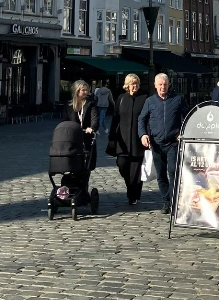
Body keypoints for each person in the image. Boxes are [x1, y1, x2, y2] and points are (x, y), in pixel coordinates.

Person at [138, 73, 185, 215]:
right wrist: (143, 134)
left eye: (165, 84)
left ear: (168, 84)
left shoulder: (177, 99)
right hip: (157, 144)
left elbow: (188, 115)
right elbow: (141, 119)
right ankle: (166, 201)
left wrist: (183, 131)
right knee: (161, 174)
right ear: (155, 85)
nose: (162, 87)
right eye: (160, 84)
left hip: (173, 143)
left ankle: (173, 200)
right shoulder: (150, 101)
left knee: (173, 171)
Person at [108, 73, 148, 205]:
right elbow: (115, 119)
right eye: (132, 83)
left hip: (137, 141)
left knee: (136, 172)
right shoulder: (121, 98)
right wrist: (112, 137)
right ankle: (130, 187)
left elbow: (148, 119)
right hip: (122, 141)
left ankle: (133, 195)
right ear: (127, 85)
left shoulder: (144, 98)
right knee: (122, 165)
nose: (134, 86)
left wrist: (147, 135)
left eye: (136, 83)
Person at [64, 79, 99, 171]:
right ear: (77, 91)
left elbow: (95, 119)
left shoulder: (90, 104)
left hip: (86, 136)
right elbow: (65, 121)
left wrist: (92, 128)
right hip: (73, 137)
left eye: (87, 90)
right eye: (83, 90)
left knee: (87, 164)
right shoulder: (69, 105)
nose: (86, 92)